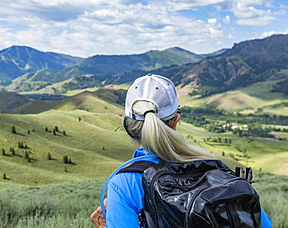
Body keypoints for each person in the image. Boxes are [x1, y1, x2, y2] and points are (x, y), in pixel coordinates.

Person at [91, 74, 272, 228]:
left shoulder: (124, 183)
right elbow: (264, 223)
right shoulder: (212, 166)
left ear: (127, 125)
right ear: (176, 119)